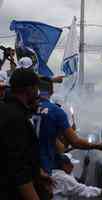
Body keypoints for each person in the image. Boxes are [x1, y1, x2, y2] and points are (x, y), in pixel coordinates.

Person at [36, 77, 102, 175]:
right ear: (51, 91)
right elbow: (75, 142)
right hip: (43, 168)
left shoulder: (25, 108)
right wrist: (97, 146)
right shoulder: (56, 112)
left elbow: (62, 146)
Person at [0, 69, 51, 200]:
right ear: (29, 89)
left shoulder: (8, 110)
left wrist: (37, 173)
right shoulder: (16, 118)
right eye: (36, 87)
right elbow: (18, 168)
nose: (37, 92)